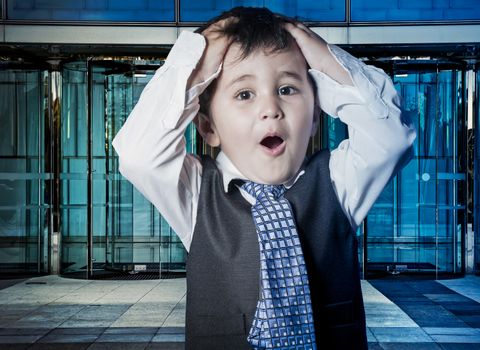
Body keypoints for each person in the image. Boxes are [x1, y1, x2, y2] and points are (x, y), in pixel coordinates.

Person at [112, 6, 416, 350]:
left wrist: (324, 59)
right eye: (244, 94)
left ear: (316, 116)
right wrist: (195, 63)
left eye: (287, 89)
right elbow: (138, 155)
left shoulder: (338, 182)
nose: (271, 107)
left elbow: (392, 136)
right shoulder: (196, 194)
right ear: (209, 126)